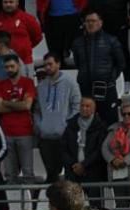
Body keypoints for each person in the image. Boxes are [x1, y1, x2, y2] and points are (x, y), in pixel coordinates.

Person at [71, 10, 126, 124]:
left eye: (93, 21)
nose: (90, 24)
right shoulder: (77, 43)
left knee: (110, 123)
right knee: (88, 123)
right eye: (88, 21)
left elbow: (121, 63)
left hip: (106, 88)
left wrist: (111, 77)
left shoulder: (111, 41)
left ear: (100, 23)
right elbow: (78, 63)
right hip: (86, 89)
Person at [34, 51, 81, 184]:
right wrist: (39, 126)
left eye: (50, 64)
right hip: (46, 137)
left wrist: (67, 126)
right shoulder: (41, 86)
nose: (47, 67)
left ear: (58, 64)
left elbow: (77, 106)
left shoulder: (70, 83)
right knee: (51, 174)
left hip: (63, 136)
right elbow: (37, 110)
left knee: (68, 174)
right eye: (45, 65)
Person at [0, 54, 37, 187]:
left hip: (25, 132)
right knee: (10, 174)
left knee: (28, 172)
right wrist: (18, 104)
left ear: (18, 65)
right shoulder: (0, 85)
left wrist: (6, 103)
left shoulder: (28, 82)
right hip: (7, 133)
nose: (9, 69)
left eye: (12, 66)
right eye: (7, 67)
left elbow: (27, 105)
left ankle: (30, 205)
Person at [62, 96, 108, 204]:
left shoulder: (100, 126)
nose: (84, 108)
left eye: (88, 106)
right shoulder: (70, 125)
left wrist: (84, 165)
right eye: (82, 106)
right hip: (73, 172)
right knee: (72, 206)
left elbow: (100, 150)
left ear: (93, 109)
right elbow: (63, 148)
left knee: (96, 207)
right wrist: (74, 165)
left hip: (93, 172)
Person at [0, 0, 43, 76]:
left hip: (25, 61)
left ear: (17, 3)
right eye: (5, 2)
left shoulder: (28, 18)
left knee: (26, 86)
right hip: (3, 64)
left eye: (11, 2)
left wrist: (26, 47)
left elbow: (38, 37)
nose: (8, 5)